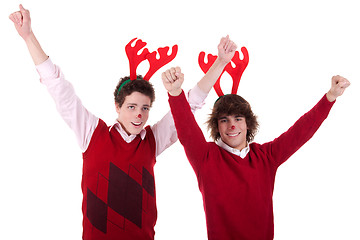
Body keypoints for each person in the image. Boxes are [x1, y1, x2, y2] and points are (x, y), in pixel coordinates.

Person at [9, 4, 237, 239]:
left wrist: (220, 62)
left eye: (145, 108)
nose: (139, 114)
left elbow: (189, 105)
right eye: (131, 107)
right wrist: (28, 35)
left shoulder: (152, 140)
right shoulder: (92, 132)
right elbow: (58, 87)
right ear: (117, 106)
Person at [162, 47, 350, 239]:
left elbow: (301, 132)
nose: (232, 126)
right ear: (217, 126)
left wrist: (330, 97)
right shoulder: (206, 157)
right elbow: (186, 130)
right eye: (224, 120)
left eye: (238, 119)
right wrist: (176, 93)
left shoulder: (266, 156)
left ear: (248, 124)